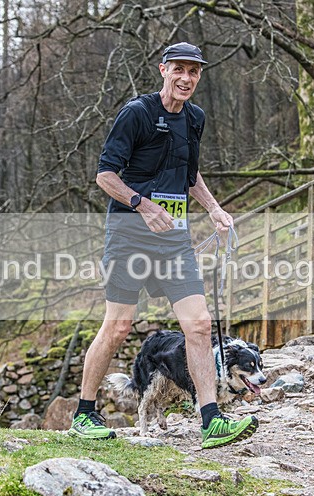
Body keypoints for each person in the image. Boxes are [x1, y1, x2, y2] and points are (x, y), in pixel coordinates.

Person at [68, 42, 258, 449]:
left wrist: (215, 209)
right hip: (129, 233)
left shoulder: (195, 119)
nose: (186, 78)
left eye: (194, 71)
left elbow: (191, 176)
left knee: (200, 324)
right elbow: (105, 175)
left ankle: (211, 420)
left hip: (173, 239)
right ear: (163, 70)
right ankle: (83, 414)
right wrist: (142, 204)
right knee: (118, 326)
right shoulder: (137, 113)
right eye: (179, 70)